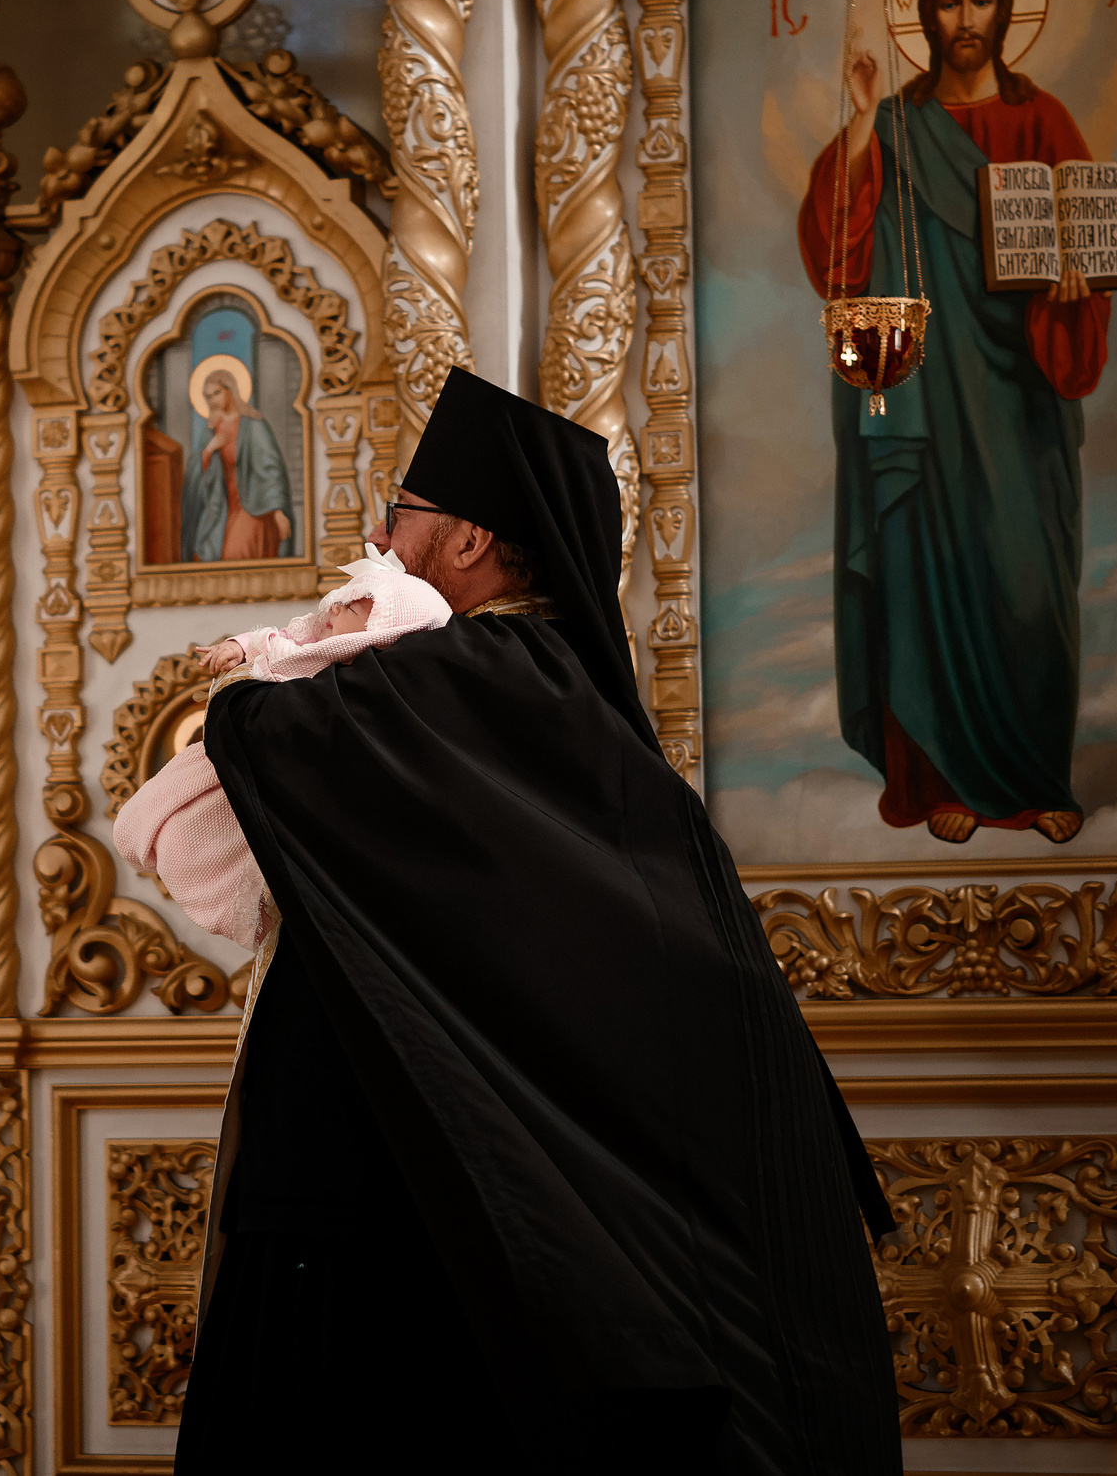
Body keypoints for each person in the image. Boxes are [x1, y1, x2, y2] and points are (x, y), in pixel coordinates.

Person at [167, 368, 898, 1473]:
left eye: (402, 515)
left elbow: (264, 734)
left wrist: (273, 658)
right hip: (428, 1183)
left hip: (382, 1203)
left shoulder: (457, 679)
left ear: (466, 542)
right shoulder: (540, 686)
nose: (379, 533)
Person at [797, 0, 1110, 845]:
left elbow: (1084, 228)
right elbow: (837, 248)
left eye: (980, 2)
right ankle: (946, 782)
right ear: (925, 21)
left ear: (1005, 12)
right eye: (947, 5)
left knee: (1027, 582)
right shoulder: (894, 123)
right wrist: (861, 121)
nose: (965, 19)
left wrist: (1073, 287)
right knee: (930, 574)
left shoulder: (1041, 119)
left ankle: (1040, 777)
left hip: (1020, 392)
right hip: (927, 396)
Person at [115, 550, 452, 951]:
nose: (336, 606)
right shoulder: (302, 648)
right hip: (226, 770)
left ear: (377, 633)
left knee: (203, 852)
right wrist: (239, 647)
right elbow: (268, 639)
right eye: (340, 598)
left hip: (268, 796)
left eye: (352, 608)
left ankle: (229, 898)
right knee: (168, 817)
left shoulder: (358, 690)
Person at [183, 369, 291, 561]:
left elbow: (271, 470)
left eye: (217, 393)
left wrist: (278, 512)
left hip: (252, 504)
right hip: (219, 507)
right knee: (205, 556)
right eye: (208, 396)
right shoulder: (211, 431)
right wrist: (209, 450)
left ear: (230, 390)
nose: (212, 400)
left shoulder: (254, 427)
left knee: (236, 553)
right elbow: (195, 473)